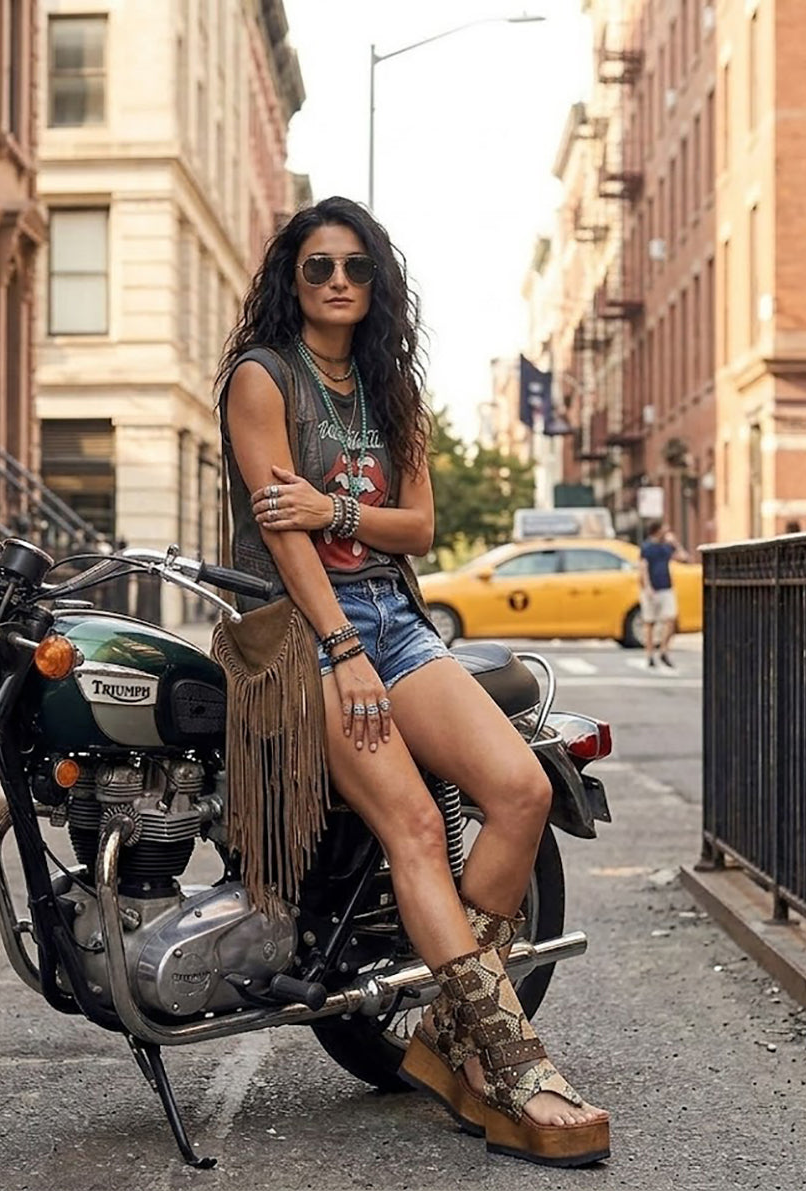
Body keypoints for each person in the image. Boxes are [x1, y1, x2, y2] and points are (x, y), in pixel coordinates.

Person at [215, 196, 609, 1167]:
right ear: (292, 279)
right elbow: (284, 533)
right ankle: (512, 1060)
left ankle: (444, 1033)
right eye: (318, 267)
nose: (338, 281)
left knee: (518, 790)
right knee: (418, 827)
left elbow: (420, 530)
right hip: (303, 629)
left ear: (377, 283)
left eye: (356, 267)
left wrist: (335, 503)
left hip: (395, 616)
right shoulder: (261, 380)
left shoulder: (394, 392)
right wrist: (342, 648)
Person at [639, 520, 689, 668]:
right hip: (651, 589)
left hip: (666, 587)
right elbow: (643, 567)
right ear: (657, 530)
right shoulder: (647, 547)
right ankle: (649, 655)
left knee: (670, 619)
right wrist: (647, 587)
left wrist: (675, 543)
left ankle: (664, 650)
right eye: (664, 529)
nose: (666, 531)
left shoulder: (666, 547)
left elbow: (683, 557)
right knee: (650, 622)